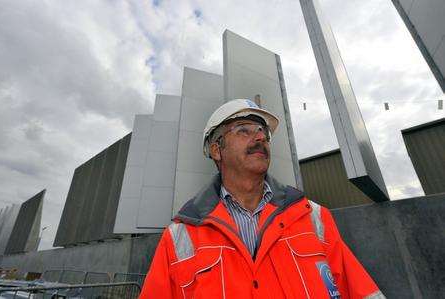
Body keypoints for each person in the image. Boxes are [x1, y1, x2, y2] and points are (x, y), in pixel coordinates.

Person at [140, 99, 385, 298]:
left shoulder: (313, 217)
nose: (259, 138)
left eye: (262, 132)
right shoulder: (180, 237)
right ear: (217, 149)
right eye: (244, 130)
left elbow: (362, 292)